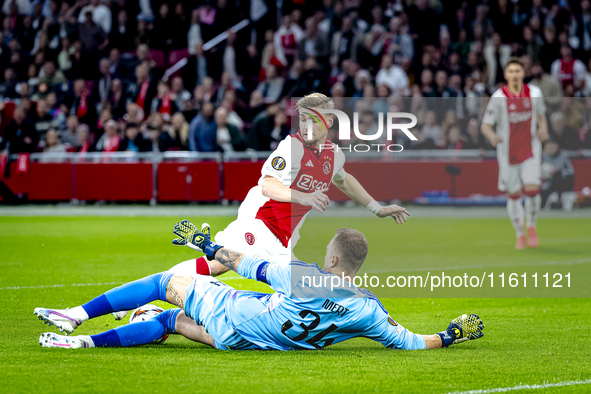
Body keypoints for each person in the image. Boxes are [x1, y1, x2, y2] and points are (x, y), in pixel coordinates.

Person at [35, 221, 484, 351]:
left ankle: (76, 318)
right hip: (249, 342)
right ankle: (88, 344)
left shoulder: (303, 275)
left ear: (331, 259)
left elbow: (243, 262)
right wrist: (449, 334)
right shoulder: (369, 311)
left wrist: (209, 244)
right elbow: (411, 342)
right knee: (172, 321)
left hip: (239, 317)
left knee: (167, 282)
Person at [167, 93, 411, 283]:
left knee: (220, 262)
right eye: (303, 119)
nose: (306, 126)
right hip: (262, 219)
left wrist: (377, 209)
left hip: (284, 234)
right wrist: (304, 196)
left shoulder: (333, 155)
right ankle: (157, 289)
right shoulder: (291, 147)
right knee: (222, 264)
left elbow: (343, 180)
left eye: (313, 119)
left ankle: (199, 250)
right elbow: (267, 185)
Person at [481, 58, 549, 250]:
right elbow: (485, 125)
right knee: (514, 195)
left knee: (533, 189)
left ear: (523, 73)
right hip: (507, 153)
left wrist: (543, 128)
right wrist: (492, 136)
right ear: (506, 75)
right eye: (511, 71)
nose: (515, 74)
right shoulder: (498, 97)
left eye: (518, 71)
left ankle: (532, 224)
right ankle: (520, 234)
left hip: (531, 149)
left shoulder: (535, 93)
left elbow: (541, 115)